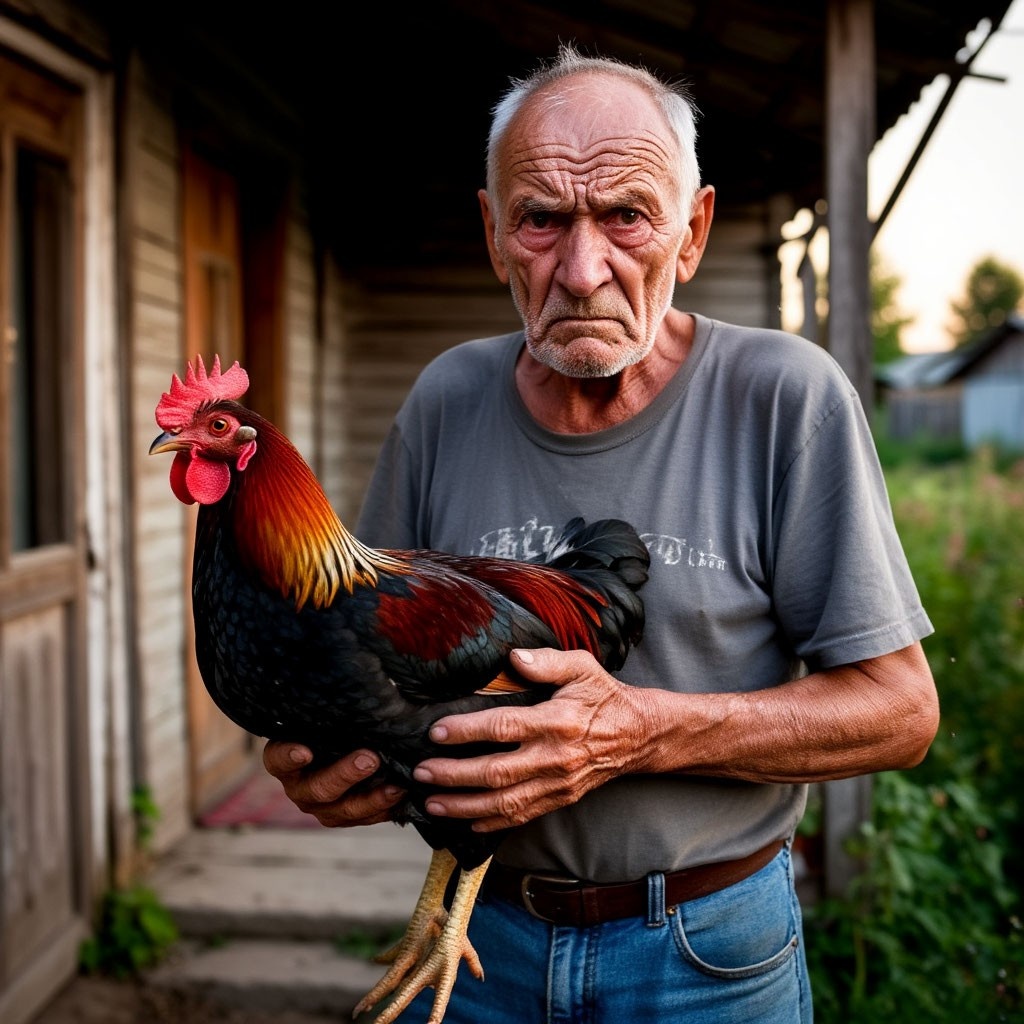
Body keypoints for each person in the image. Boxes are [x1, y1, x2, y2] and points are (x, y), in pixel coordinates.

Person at [264, 44, 940, 1023]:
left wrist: (635, 731)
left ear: (693, 230)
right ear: (495, 234)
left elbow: (899, 711)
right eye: (541, 219)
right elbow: (360, 643)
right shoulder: (447, 399)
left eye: (626, 215)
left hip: (705, 949)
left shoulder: (782, 398)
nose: (582, 270)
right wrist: (328, 757)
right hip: (477, 933)